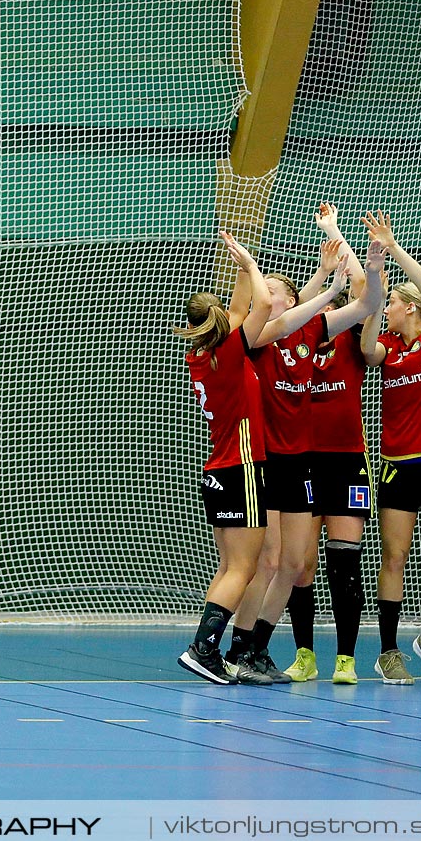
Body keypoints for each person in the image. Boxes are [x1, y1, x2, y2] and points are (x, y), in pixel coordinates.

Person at [220, 235, 355, 685]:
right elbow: (272, 315)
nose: (270, 294)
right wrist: (325, 285)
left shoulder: (307, 335)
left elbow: (345, 307)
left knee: (295, 565)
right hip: (262, 461)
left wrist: (344, 274)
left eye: (278, 289)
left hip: (301, 463)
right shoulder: (255, 339)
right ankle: (237, 649)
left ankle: (257, 647)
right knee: (268, 562)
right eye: (268, 290)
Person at [359, 211, 421, 685]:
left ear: (413, 308)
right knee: (395, 557)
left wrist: (395, 249)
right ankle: (387, 650)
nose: (391, 309)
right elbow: (365, 348)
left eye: (396, 303)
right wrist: (376, 280)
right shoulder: (387, 348)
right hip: (398, 466)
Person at [177, 231, 273, 683]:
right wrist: (253, 266)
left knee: (230, 566)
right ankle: (203, 648)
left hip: (218, 469)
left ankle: (206, 648)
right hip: (243, 467)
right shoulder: (230, 353)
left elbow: (237, 312)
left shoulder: (202, 355)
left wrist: (238, 264)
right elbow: (263, 308)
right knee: (246, 567)